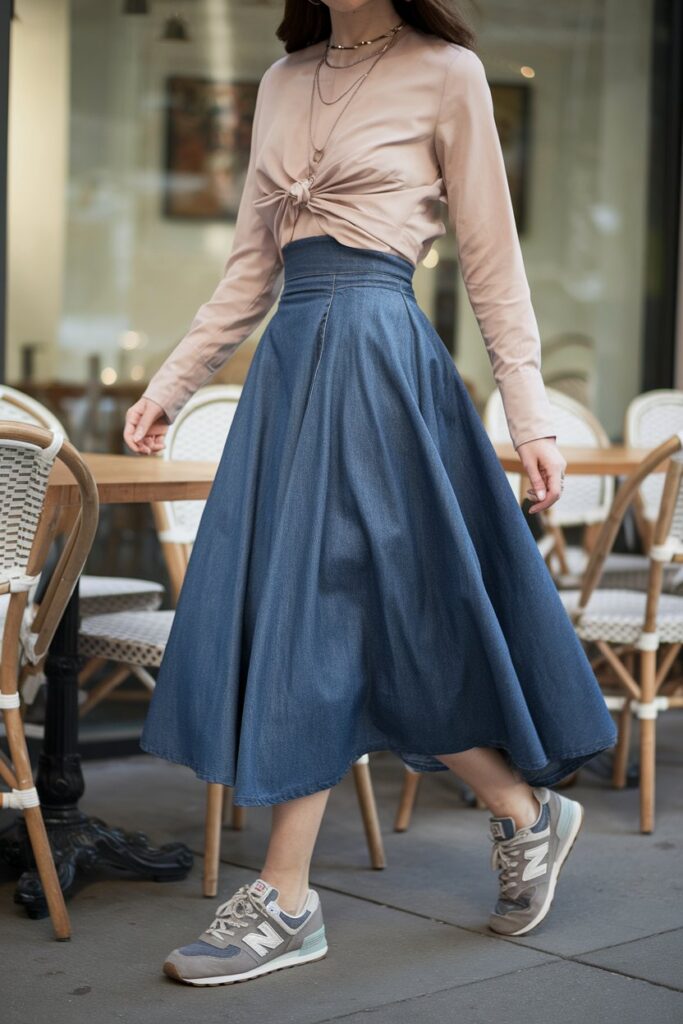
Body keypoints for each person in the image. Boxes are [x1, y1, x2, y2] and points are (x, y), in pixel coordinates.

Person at [123, 0, 617, 988]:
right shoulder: (278, 80)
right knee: (345, 621)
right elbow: (252, 266)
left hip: (379, 361)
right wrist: (171, 382)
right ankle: (521, 810)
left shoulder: (446, 71)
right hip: (292, 360)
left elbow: (489, 258)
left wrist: (527, 417)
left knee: (335, 615)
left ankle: (288, 895)